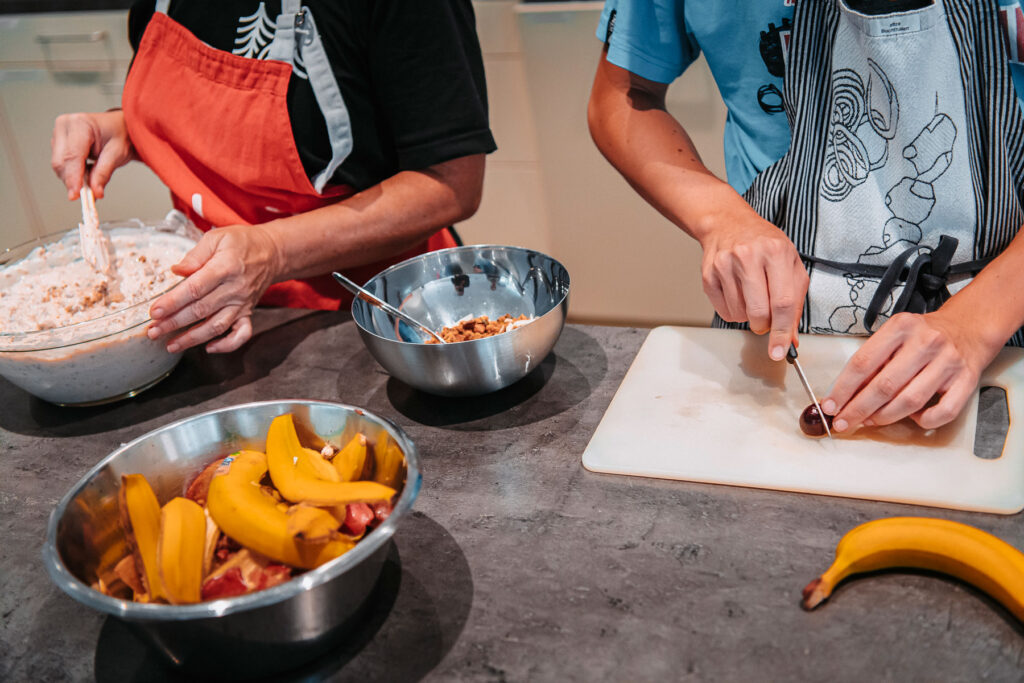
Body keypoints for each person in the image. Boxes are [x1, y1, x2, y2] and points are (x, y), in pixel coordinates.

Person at [588, 0, 1024, 434]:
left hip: (1007, 328)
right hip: (773, 343)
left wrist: (975, 324)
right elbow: (622, 97)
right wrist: (720, 217)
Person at [51, 0, 496, 354]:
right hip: (208, 317)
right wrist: (128, 127)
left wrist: (272, 250)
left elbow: (450, 182)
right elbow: (218, 124)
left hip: (375, 319)